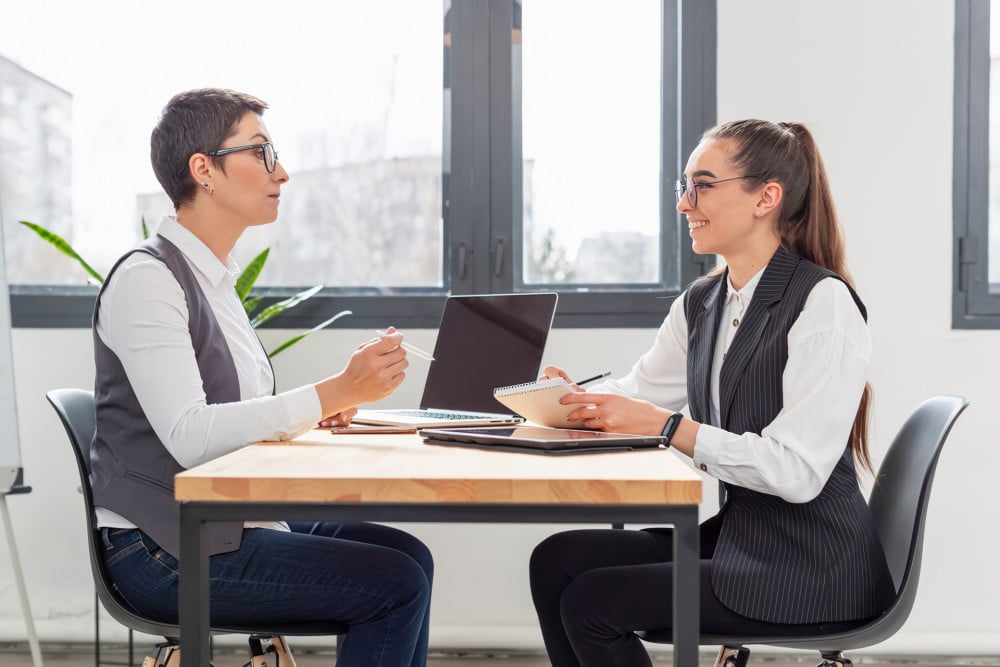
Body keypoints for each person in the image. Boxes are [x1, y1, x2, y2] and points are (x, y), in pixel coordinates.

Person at [528, 119, 895, 666]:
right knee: (556, 561)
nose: (684, 204)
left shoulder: (823, 304)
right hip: (744, 538)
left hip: (813, 567)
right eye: (684, 185)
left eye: (703, 185)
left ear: (765, 198)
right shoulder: (703, 301)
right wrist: (562, 399)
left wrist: (668, 428)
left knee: (592, 602)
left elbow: (794, 472)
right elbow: (641, 391)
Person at [89, 88, 433, 666]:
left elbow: (236, 419)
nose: (284, 172)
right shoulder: (148, 282)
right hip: (158, 550)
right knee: (394, 583)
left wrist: (326, 406)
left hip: (215, 522)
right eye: (262, 153)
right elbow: (192, 435)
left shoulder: (212, 284)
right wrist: (336, 390)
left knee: (408, 557)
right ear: (205, 170)